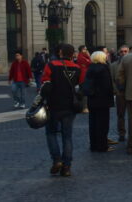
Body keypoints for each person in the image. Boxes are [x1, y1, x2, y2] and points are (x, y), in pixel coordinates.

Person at [40, 43, 83, 177]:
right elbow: (80, 85)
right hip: (70, 106)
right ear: (72, 55)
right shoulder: (78, 68)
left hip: (53, 105)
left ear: (60, 53)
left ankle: (57, 160)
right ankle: (67, 167)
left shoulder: (51, 65)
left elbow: (44, 83)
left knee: (51, 133)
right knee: (67, 136)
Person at [85, 51, 115, 153]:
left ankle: (93, 145)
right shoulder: (103, 69)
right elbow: (107, 86)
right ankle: (102, 146)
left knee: (93, 123)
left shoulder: (90, 68)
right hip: (102, 100)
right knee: (102, 124)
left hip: (92, 100)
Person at [111, 45, 129, 142]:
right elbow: (111, 79)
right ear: (119, 53)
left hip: (131, 93)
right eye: (122, 51)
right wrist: (116, 91)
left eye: (126, 51)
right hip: (120, 93)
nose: (123, 53)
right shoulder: (113, 65)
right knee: (120, 115)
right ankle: (122, 133)